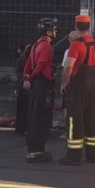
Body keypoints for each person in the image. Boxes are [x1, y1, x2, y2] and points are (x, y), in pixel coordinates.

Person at [59, 14, 95, 165]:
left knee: (74, 119)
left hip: (78, 86)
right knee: (93, 119)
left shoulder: (76, 44)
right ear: (89, 26)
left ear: (76, 26)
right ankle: (94, 155)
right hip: (94, 86)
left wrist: (63, 84)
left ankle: (74, 156)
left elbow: (69, 66)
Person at [23, 18, 57, 162]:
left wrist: (27, 78)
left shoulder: (36, 44)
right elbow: (41, 65)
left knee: (34, 116)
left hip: (36, 85)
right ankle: (36, 151)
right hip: (43, 84)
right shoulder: (47, 47)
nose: (56, 32)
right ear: (48, 32)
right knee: (42, 118)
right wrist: (31, 78)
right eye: (54, 29)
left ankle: (34, 149)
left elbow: (28, 63)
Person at [15, 42, 33, 137]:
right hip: (24, 85)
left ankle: (21, 128)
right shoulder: (24, 58)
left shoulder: (23, 57)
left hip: (22, 84)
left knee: (22, 108)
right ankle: (22, 128)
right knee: (24, 108)